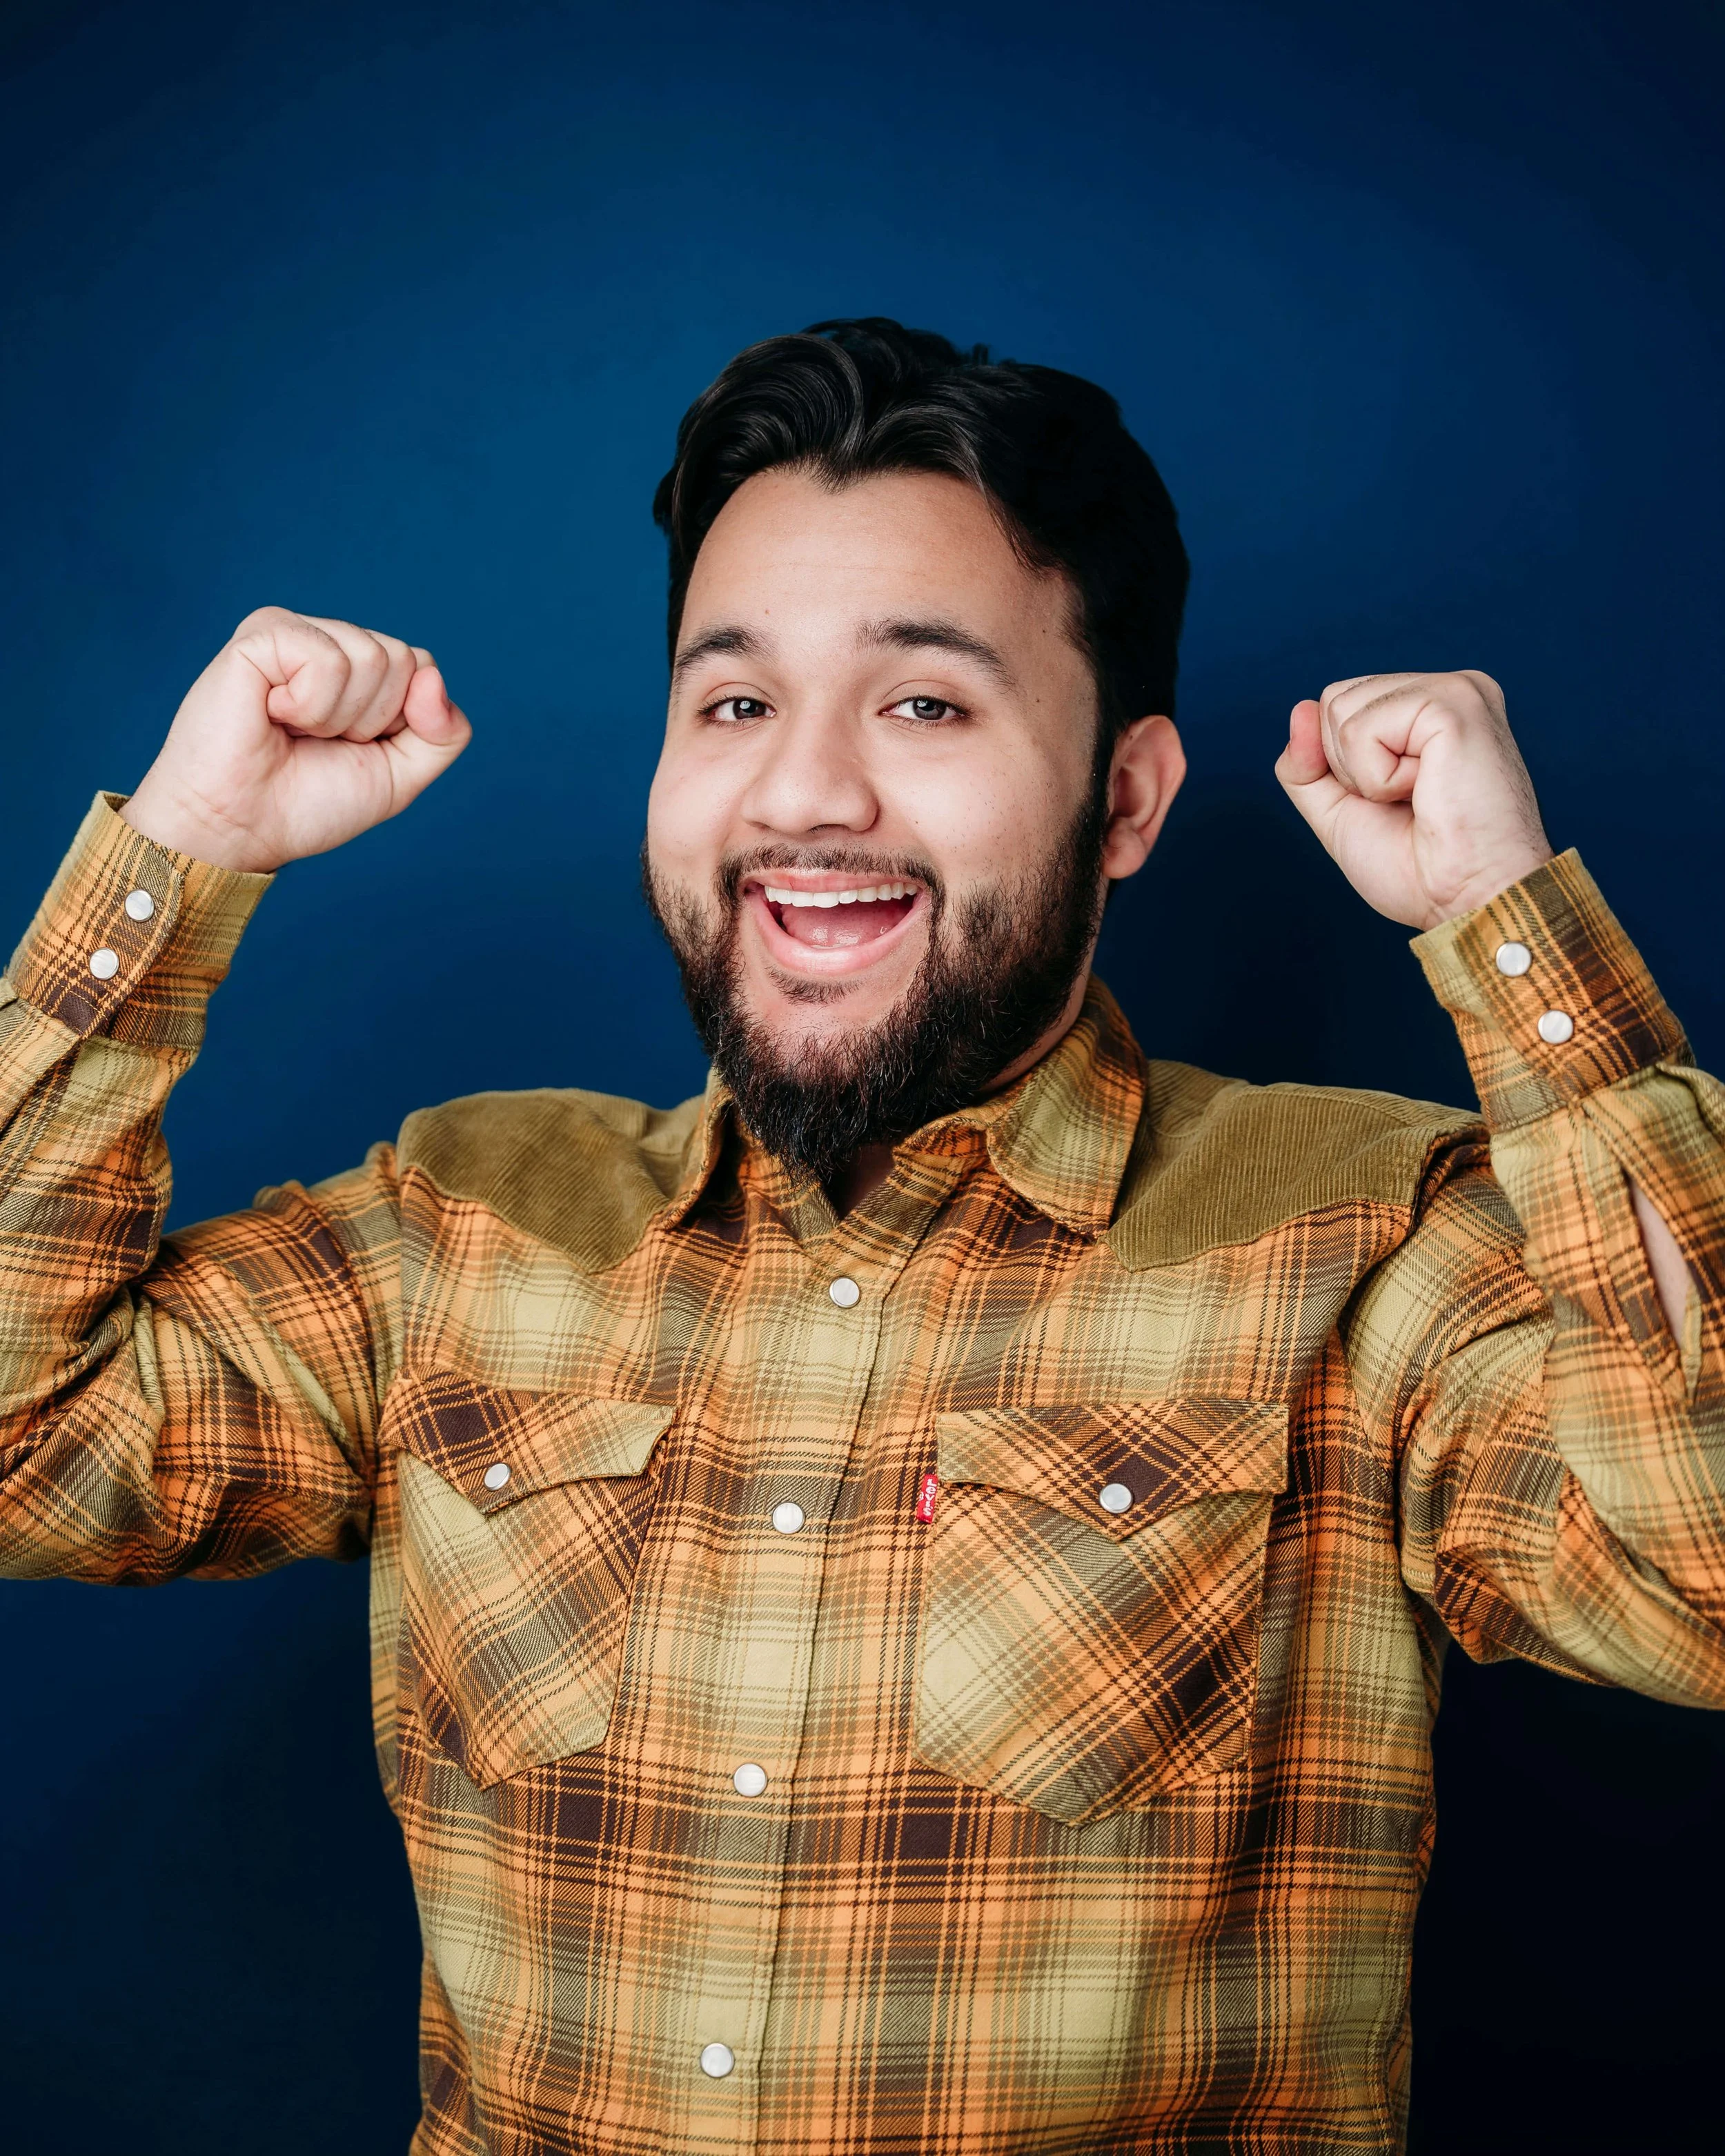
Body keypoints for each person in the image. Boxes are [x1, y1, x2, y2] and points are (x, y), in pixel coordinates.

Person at [1, 316, 1717, 2156]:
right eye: (732, 701)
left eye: (922, 702)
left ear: (1124, 798)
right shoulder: (453, 1226)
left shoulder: (1372, 1241)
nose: (802, 794)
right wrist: (176, 857)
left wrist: (1504, 930)